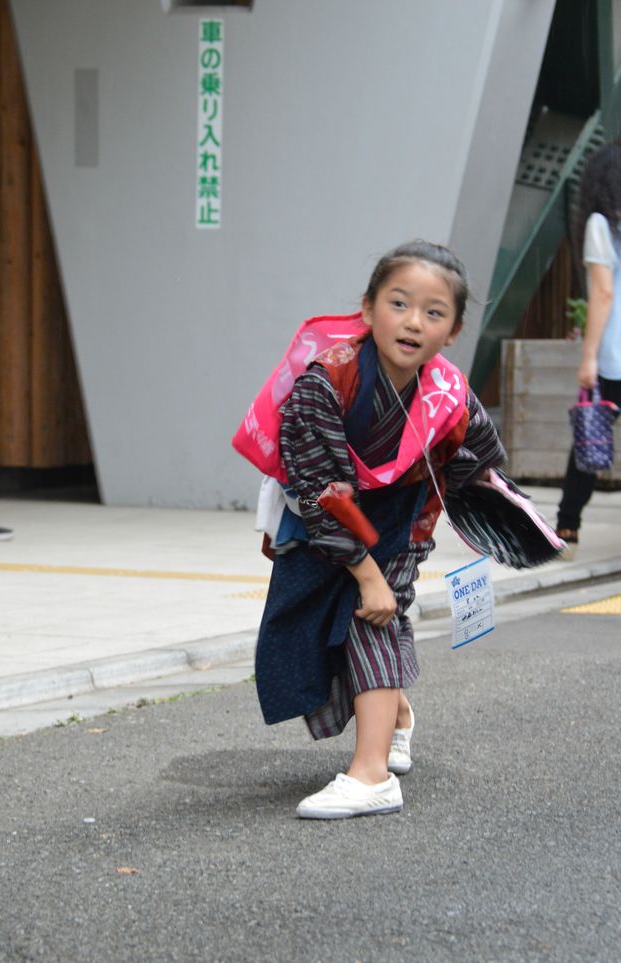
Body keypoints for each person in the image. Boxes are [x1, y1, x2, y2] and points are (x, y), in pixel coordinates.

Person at [251, 240, 506, 820]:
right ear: (367, 309)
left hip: (400, 520)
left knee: (373, 618)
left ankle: (371, 776)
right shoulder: (324, 383)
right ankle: (397, 713)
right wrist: (362, 571)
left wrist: (453, 496)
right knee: (312, 630)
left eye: (434, 313)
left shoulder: (448, 394)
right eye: (399, 303)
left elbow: (484, 458)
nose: (414, 322)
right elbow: (322, 492)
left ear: (454, 330)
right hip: (325, 522)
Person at [556, 141, 621, 556]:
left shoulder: (601, 223)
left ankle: (567, 526)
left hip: (615, 357)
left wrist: (589, 355)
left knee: (590, 436)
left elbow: (602, 291)